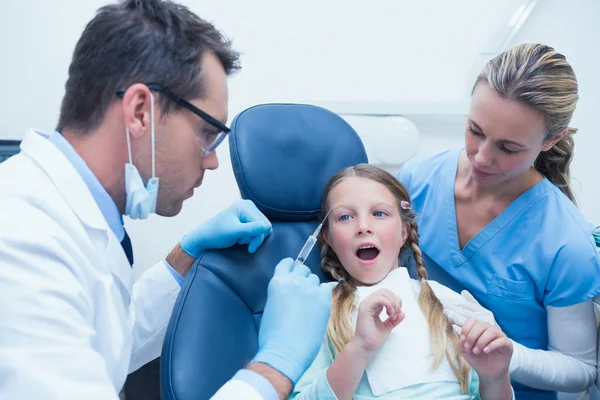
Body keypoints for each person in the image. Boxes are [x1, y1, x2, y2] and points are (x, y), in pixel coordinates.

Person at [0, 0, 332, 399]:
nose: (211, 161)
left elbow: (104, 344)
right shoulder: (21, 240)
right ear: (140, 111)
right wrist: (276, 365)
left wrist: (183, 256)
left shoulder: (70, 217)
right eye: (208, 133)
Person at [396, 43, 600, 399]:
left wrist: (507, 353)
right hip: (418, 381)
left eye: (508, 148)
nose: (482, 157)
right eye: (475, 130)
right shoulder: (418, 179)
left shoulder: (566, 242)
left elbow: (580, 370)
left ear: (552, 139)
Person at [290, 164, 515, 399]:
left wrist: (496, 378)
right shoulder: (318, 305)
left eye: (379, 214)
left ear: (404, 232)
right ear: (330, 239)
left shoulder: (445, 301)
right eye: (345, 217)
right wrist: (359, 348)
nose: (363, 227)